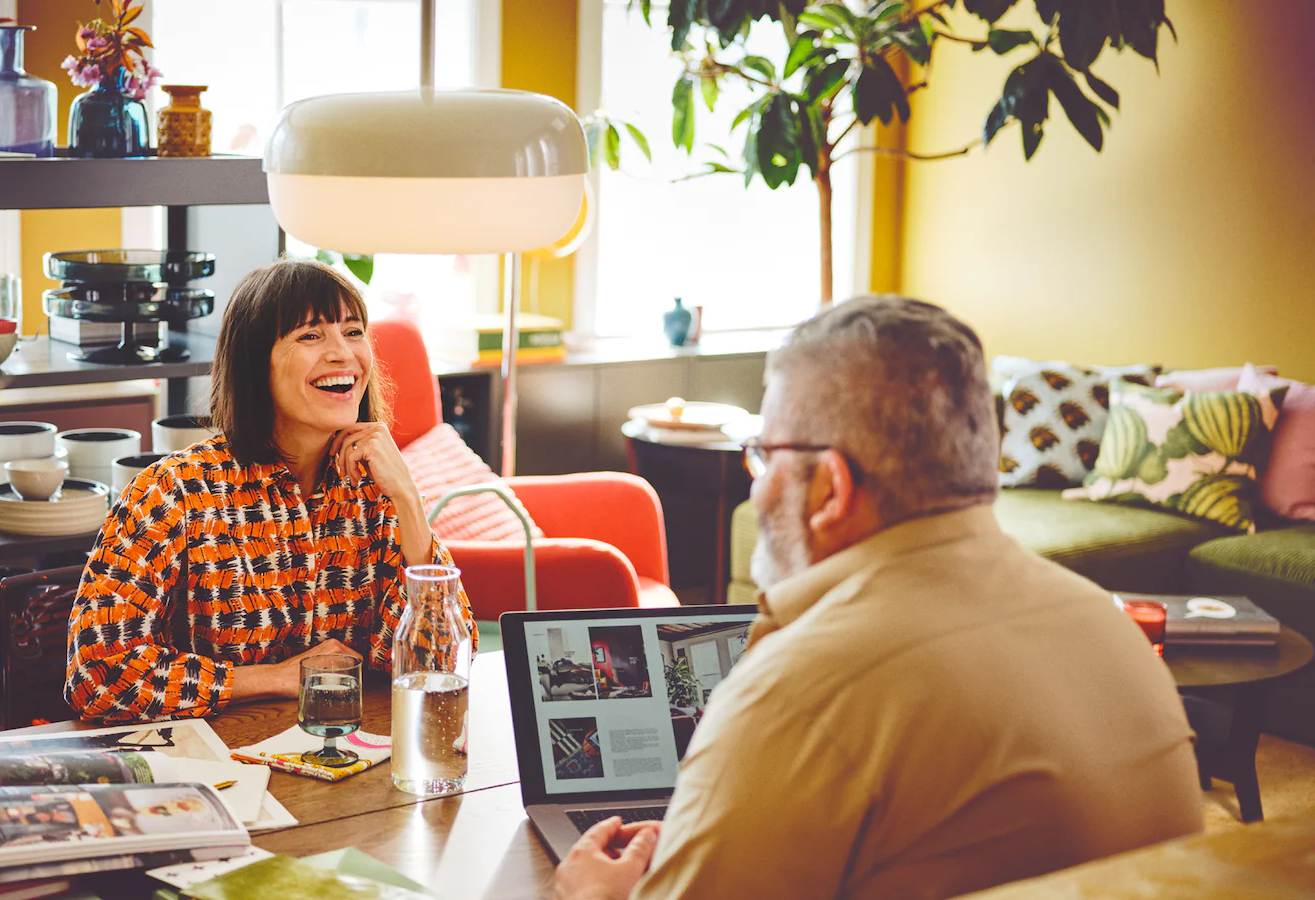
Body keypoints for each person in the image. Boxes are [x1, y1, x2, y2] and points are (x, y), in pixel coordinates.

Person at [556, 297, 1201, 900]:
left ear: (830, 490)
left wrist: (592, 893)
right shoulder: (1113, 630)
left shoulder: (799, 692)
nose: (756, 487)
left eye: (764, 455)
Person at [65, 258, 476, 724]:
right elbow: (95, 676)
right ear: (254, 362)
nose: (343, 353)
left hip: (348, 754)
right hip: (218, 756)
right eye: (310, 335)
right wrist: (274, 678)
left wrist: (409, 500)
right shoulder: (175, 492)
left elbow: (444, 666)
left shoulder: (376, 491)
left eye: (353, 331)